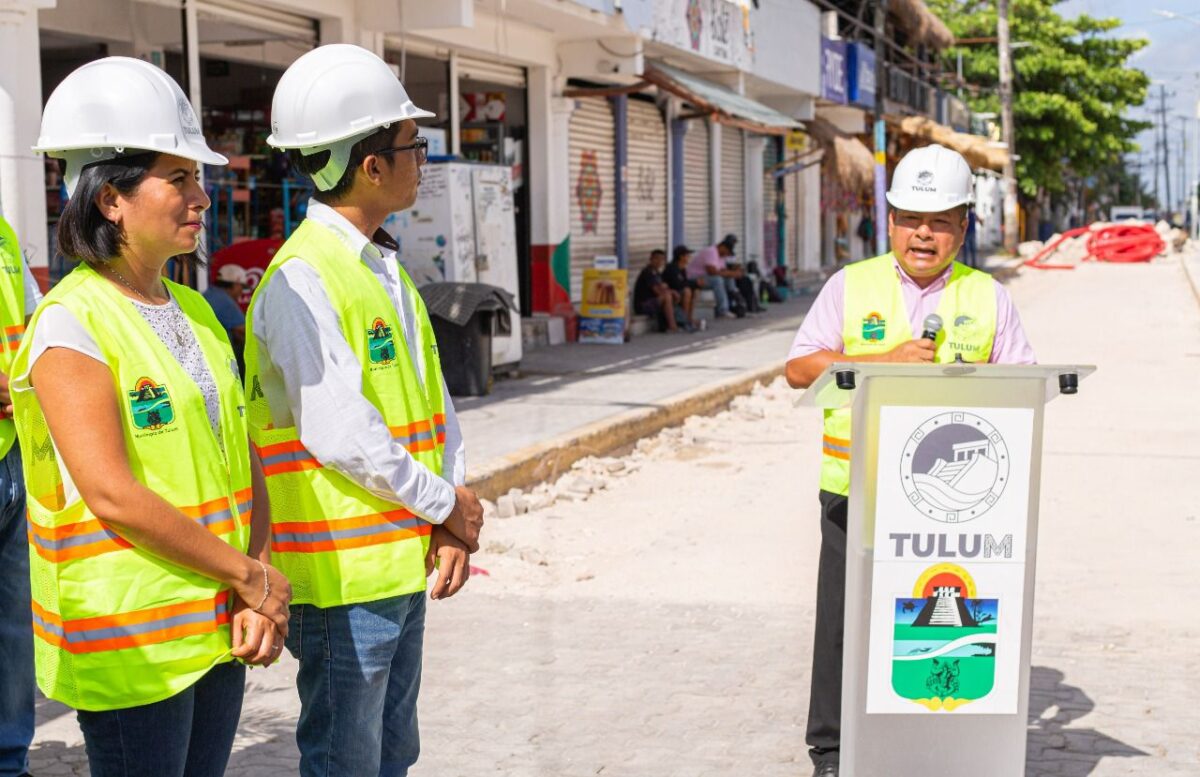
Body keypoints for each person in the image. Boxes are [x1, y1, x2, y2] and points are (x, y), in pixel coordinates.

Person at [13, 57, 291, 777]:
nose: (202, 195)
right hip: (136, 641)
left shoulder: (197, 309)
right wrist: (248, 575)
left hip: (216, 621)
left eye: (198, 178)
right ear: (111, 198)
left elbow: (242, 456)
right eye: (180, 178)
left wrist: (253, 575)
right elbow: (111, 492)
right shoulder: (70, 321)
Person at [247, 44, 483, 777]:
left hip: (398, 564)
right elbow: (342, 431)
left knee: (392, 755)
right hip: (342, 583)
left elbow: (433, 408)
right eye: (413, 146)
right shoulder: (301, 281)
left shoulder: (380, 266)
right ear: (370, 165)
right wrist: (444, 501)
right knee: (347, 760)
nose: (423, 160)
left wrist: (449, 514)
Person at [783, 144, 1036, 777]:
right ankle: (833, 754)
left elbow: (1026, 381)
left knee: (937, 612)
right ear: (890, 219)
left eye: (941, 219)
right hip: (857, 488)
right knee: (844, 624)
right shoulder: (851, 285)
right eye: (911, 218)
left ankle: (938, 743)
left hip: (957, 506)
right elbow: (798, 368)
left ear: (963, 228)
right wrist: (879, 363)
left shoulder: (989, 297)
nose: (924, 232)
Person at [0, 214, 42, 777]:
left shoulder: (3, 232)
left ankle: (10, 760)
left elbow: (32, 320)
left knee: (13, 626)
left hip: (12, 453)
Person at [203, 264, 247, 374]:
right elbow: (244, 332)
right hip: (218, 362)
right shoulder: (225, 301)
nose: (242, 292)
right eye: (242, 287)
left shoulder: (209, 294)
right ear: (236, 284)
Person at [686, 235, 744, 318]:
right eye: (727, 252)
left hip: (706, 277)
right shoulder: (711, 252)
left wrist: (733, 273)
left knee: (729, 279)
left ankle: (736, 300)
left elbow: (722, 271)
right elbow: (712, 271)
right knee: (717, 280)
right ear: (722, 247)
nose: (727, 255)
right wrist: (731, 273)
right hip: (694, 278)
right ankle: (722, 311)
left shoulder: (721, 256)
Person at [633, 249, 690, 333]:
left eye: (662, 259)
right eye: (657, 259)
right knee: (667, 297)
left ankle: (684, 321)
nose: (659, 261)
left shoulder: (657, 273)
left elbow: (663, 287)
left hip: (653, 302)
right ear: (651, 259)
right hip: (643, 305)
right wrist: (671, 292)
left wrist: (672, 292)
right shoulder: (648, 272)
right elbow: (657, 291)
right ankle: (672, 326)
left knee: (675, 294)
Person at [663, 246, 700, 329]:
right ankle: (685, 319)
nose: (689, 258)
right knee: (687, 291)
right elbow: (677, 284)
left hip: (678, 292)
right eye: (687, 255)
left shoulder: (682, 269)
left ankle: (689, 317)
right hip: (672, 293)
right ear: (681, 257)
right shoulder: (672, 268)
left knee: (695, 291)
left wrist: (695, 284)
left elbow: (685, 282)